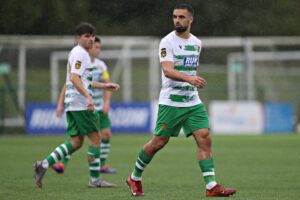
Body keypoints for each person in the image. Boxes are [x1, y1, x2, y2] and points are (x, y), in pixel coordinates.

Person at [126, 3, 237, 197]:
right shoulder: (167, 42)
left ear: (191, 19)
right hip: (171, 102)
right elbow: (167, 70)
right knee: (158, 142)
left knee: (204, 137)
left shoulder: (197, 43)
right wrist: (190, 79)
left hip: (192, 101)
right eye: (175, 16)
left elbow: (189, 69)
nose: (177, 20)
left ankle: (211, 186)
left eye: (181, 17)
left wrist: (191, 80)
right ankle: (134, 177)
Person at [33, 22, 119, 188]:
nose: (91, 39)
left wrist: (104, 85)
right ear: (78, 38)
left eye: (92, 36)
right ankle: (95, 180)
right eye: (87, 36)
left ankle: (43, 164)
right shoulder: (81, 54)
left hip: (72, 104)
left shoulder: (77, 53)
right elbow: (74, 78)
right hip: (80, 104)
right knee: (96, 139)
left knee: (76, 142)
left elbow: (83, 80)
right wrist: (88, 98)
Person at [52, 37, 117, 174]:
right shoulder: (81, 60)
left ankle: (101, 166)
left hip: (96, 105)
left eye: (99, 47)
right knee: (81, 139)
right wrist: (60, 103)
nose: (97, 50)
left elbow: (106, 81)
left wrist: (107, 102)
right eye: (95, 47)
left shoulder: (101, 66)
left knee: (104, 135)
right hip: (85, 105)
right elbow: (69, 82)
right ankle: (62, 164)